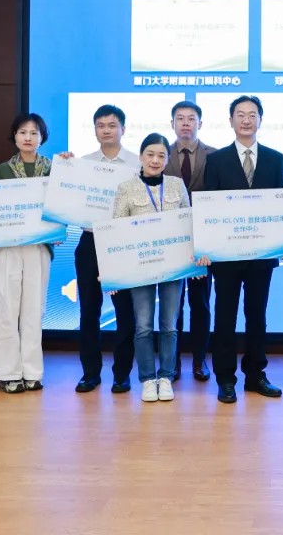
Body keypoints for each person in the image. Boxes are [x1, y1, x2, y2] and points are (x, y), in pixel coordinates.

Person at [200, 95, 283, 404]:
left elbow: (279, 206)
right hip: (226, 257)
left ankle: (255, 375)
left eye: (252, 115)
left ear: (260, 120)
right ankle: (225, 378)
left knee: (257, 316)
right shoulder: (216, 160)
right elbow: (209, 207)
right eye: (240, 114)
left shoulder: (275, 158)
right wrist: (207, 246)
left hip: (262, 255)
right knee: (225, 316)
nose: (246, 120)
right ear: (230, 121)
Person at [113, 133, 192, 403]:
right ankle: (147, 379)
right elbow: (117, 231)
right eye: (150, 154)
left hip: (173, 267)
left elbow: (187, 223)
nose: (155, 160)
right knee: (143, 326)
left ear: (167, 160)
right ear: (141, 157)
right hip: (140, 267)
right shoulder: (126, 188)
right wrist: (114, 271)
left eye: (161, 156)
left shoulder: (177, 185)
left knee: (169, 325)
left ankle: (166, 377)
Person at [69, 104, 138, 394]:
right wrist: (65, 169)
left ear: (123, 129)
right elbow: (69, 200)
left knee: (125, 312)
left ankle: (122, 374)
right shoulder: (83, 164)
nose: (106, 130)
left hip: (123, 243)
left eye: (112, 125)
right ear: (95, 129)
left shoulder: (137, 163)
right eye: (101, 125)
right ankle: (90, 373)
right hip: (90, 241)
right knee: (89, 310)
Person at [0, 113, 54, 394]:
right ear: (14, 136)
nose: (28, 137)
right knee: (6, 310)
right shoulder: (3, 170)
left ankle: (32, 372)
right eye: (22, 132)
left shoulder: (54, 170)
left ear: (42, 138)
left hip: (39, 246)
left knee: (34, 310)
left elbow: (61, 207)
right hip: (8, 246)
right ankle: (8, 372)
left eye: (34, 133)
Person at [162, 100, 216, 383]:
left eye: (191, 118)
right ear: (172, 123)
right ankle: (172, 361)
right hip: (170, 239)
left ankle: (199, 360)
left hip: (202, 241)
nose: (185, 123)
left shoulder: (215, 156)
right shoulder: (160, 154)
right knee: (173, 304)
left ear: (200, 123)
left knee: (201, 303)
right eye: (180, 118)